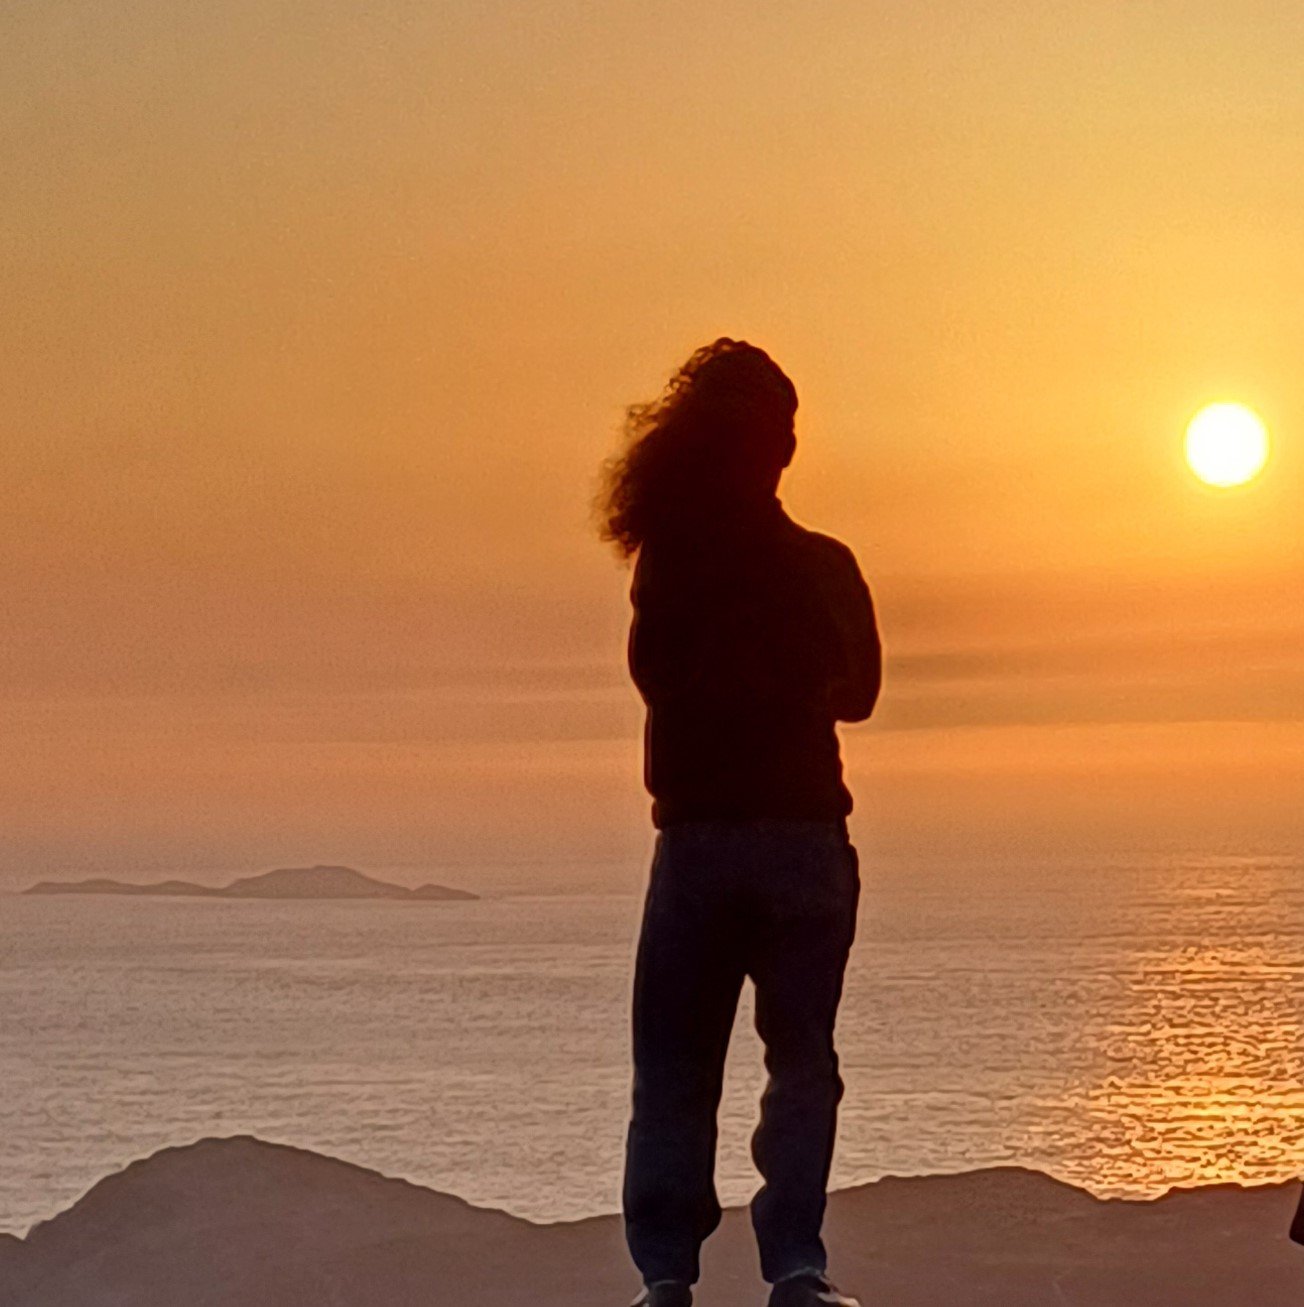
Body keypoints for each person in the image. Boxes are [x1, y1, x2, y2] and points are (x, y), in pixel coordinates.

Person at [594, 339, 883, 1307]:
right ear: (779, 449)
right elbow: (860, 691)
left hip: (703, 841)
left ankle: (667, 1276)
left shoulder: (670, 563)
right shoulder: (817, 565)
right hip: (796, 838)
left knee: (677, 1068)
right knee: (797, 1059)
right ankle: (791, 1266)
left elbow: (658, 674)